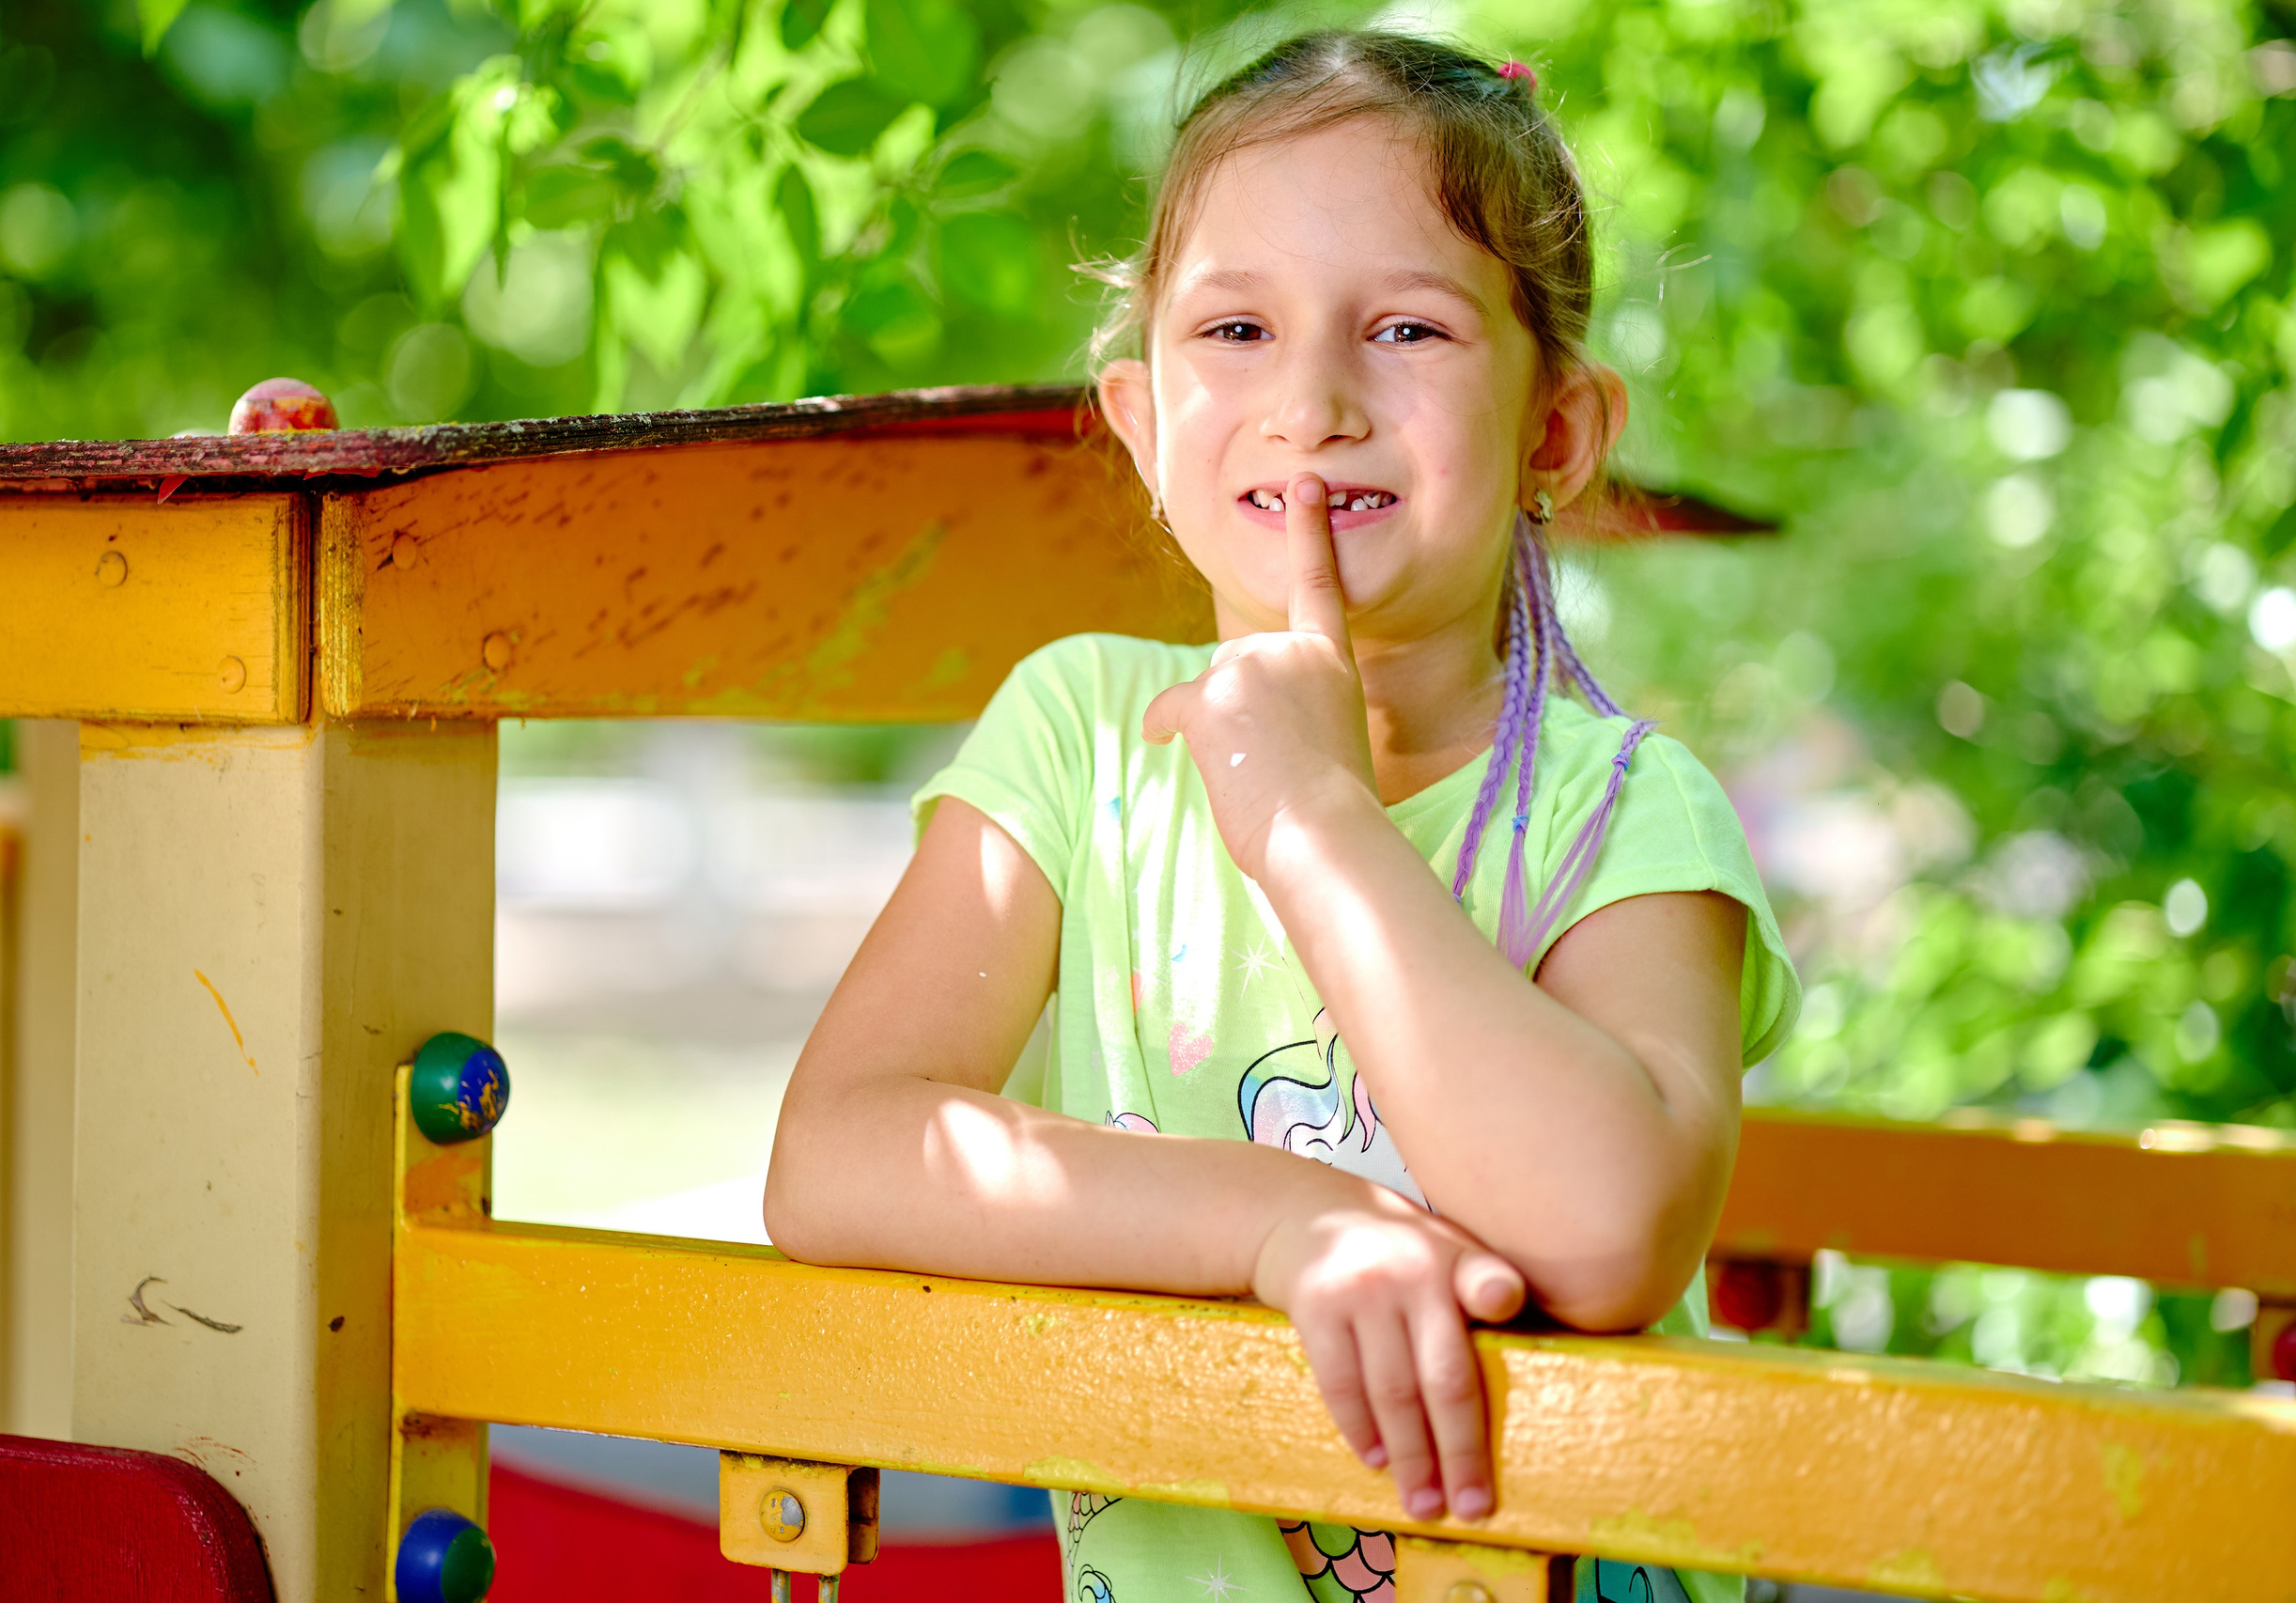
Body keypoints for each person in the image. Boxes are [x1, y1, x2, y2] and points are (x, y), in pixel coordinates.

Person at [765, 29, 1799, 1603]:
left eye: (1405, 327)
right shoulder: (1082, 737)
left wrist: (1310, 813)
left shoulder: (1626, 812)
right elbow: (836, 1156)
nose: (1310, 400)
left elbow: (1608, 1226)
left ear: (1555, 435)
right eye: (1236, 327)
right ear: (1139, 417)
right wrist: (1280, 1216)